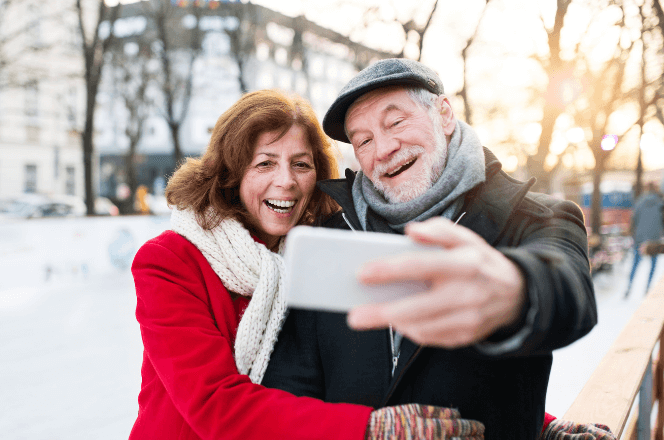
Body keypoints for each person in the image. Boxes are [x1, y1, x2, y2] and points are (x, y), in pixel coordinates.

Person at [260, 59, 603, 440]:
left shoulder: (538, 217)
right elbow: (289, 387)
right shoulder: (329, 239)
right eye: (364, 140)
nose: (385, 148)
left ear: (444, 115)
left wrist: (516, 289)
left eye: (396, 122)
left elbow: (571, 294)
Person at [129, 89, 486, 440]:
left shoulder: (324, 253)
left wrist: (534, 421)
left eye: (300, 164)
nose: (286, 181)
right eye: (265, 163)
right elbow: (215, 403)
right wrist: (369, 430)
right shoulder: (169, 261)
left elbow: (391, 357)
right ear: (231, 174)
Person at [624, 182, 663, 298]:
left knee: (635, 264)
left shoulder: (640, 202)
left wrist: (633, 234)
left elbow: (633, 220)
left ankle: (629, 287)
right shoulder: (661, 203)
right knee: (653, 265)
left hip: (640, 239)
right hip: (654, 240)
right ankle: (647, 288)